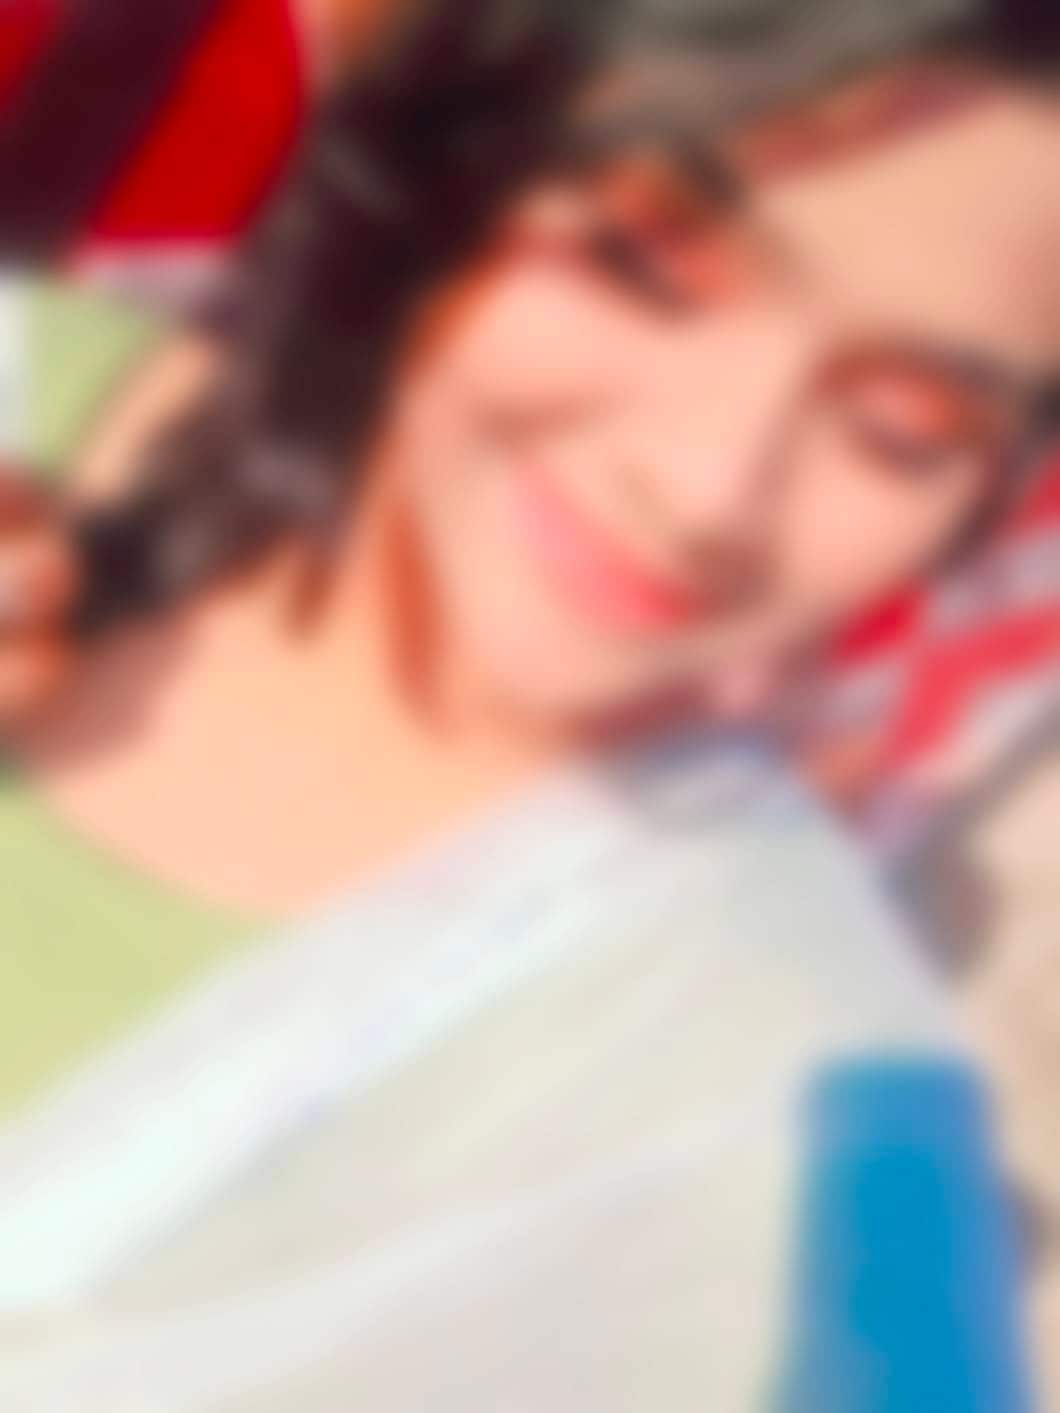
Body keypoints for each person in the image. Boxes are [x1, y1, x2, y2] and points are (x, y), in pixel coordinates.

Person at [0, 0, 1056, 1400]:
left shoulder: (798, 1120)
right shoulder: (24, 395)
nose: (709, 489)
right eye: (639, 263)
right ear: (455, 154)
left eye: (903, 432)